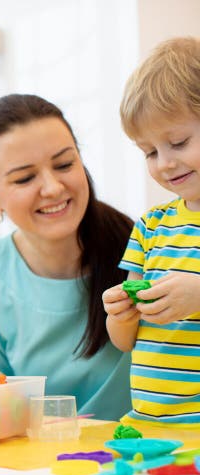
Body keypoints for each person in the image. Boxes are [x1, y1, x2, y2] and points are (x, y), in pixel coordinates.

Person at [0, 94, 134, 422]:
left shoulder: (140, 249)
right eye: (25, 178)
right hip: (35, 461)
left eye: (65, 164)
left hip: (139, 455)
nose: (53, 188)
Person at [103, 37, 200, 427]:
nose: (165, 163)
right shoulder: (150, 227)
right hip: (147, 423)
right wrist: (122, 317)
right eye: (149, 151)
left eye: (178, 142)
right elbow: (125, 341)